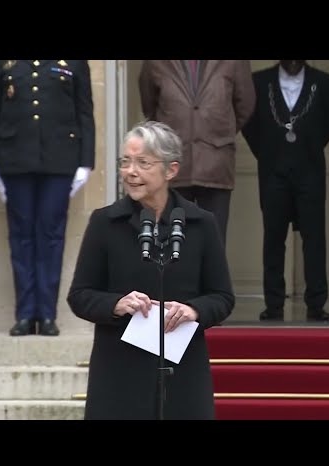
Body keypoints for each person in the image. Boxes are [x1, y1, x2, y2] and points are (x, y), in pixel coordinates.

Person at [66, 121, 235, 420]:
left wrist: (194, 310)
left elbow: (222, 297)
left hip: (182, 370)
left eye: (143, 163)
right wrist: (116, 304)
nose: (131, 171)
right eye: (125, 162)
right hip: (119, 371)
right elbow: (80, 295)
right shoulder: (105, 223)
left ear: (170, 170)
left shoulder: (200, 224)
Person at [0, 60, 95, 336]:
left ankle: (46, 314)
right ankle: (24, 314)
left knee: (51, 236)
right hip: (15, 159)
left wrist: (85, 162)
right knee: (21, 237)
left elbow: (84, 112)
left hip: (60, 161)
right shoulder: (2, 63)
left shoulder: (75, 63)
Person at [242, 60, 329, 322]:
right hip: (272, 171)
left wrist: (307, 147)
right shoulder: (259, 82)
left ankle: (316, 305)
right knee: (273, 239)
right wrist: (267, 153)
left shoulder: (324, 81)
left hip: (311, 172)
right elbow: (249, 123)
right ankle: (273, 305)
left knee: (314, 239)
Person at [138, 60, 256, 246]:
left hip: (216, 164)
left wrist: (219, 132)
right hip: (173, 164)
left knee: (213, 246)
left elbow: (245, 103)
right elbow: (149, 104)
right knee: (172, 246)